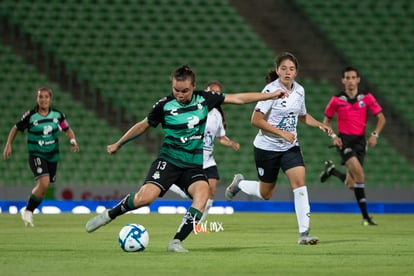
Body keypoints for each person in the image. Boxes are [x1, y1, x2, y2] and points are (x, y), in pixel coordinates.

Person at [85, 64, 288, 253]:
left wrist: (269, 96)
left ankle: (176, 241)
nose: (180, 95)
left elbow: (238, 98)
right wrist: (119, 143)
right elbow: (143, 125)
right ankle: (109, 215)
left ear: (193, 87)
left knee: (203, 197)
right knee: (144, 199)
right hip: (169, 161)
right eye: (176, 90)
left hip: (192, 165)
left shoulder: (205, 99)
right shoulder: (164, 105)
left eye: (184, 91)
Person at [225, 52, 333, 245]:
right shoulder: (270, 91)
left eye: (291, 69)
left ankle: (304, 234)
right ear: (277, 71)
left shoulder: (300, 91)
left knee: (299, 183)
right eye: (283, 68)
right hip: (266, 148)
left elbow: (302, 115)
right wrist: (281, 133)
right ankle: (240, 183)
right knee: (266, 193)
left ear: (296, 72)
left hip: (290, 147)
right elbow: (255, 120)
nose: (287, 72)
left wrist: (319, 124)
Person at [2, 87, 79, 227]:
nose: (43, 100)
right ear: (37, 99)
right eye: (40, 97)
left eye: (46, 97)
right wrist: (8, 144)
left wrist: (72, 141)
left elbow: (67, 129)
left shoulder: (57, 115)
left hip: (52, 155)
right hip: (36, 154)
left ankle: (28, 210)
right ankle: (28, 211)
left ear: (50, 99)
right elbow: (16, 128)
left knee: (45, 187)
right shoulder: (30, 116)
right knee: (44, 182)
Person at [319, 66, 386, 226]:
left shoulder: (367, 98)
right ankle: (366, 218)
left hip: (360, 142)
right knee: (360, 177)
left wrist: (374, 134)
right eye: (347, 78)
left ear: (358, 80)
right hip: (345, 142)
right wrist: (334, 136)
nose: (350, 80)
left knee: (351, 184)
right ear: (343, 80)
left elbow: (381, 118)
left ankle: (332, 171)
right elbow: (325, 121)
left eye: (353, 77)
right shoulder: (336, 100)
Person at [169, 81, 240, 224]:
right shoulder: (194, 109)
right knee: (194, 192)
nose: (215, 95)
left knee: (211, 191)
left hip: (208, 160)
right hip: (193, 158)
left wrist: (231, 143)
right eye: (212, 91)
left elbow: (221, 137)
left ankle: (197, 224)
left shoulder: (217, 116)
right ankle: (172, 183)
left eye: (218, 93)